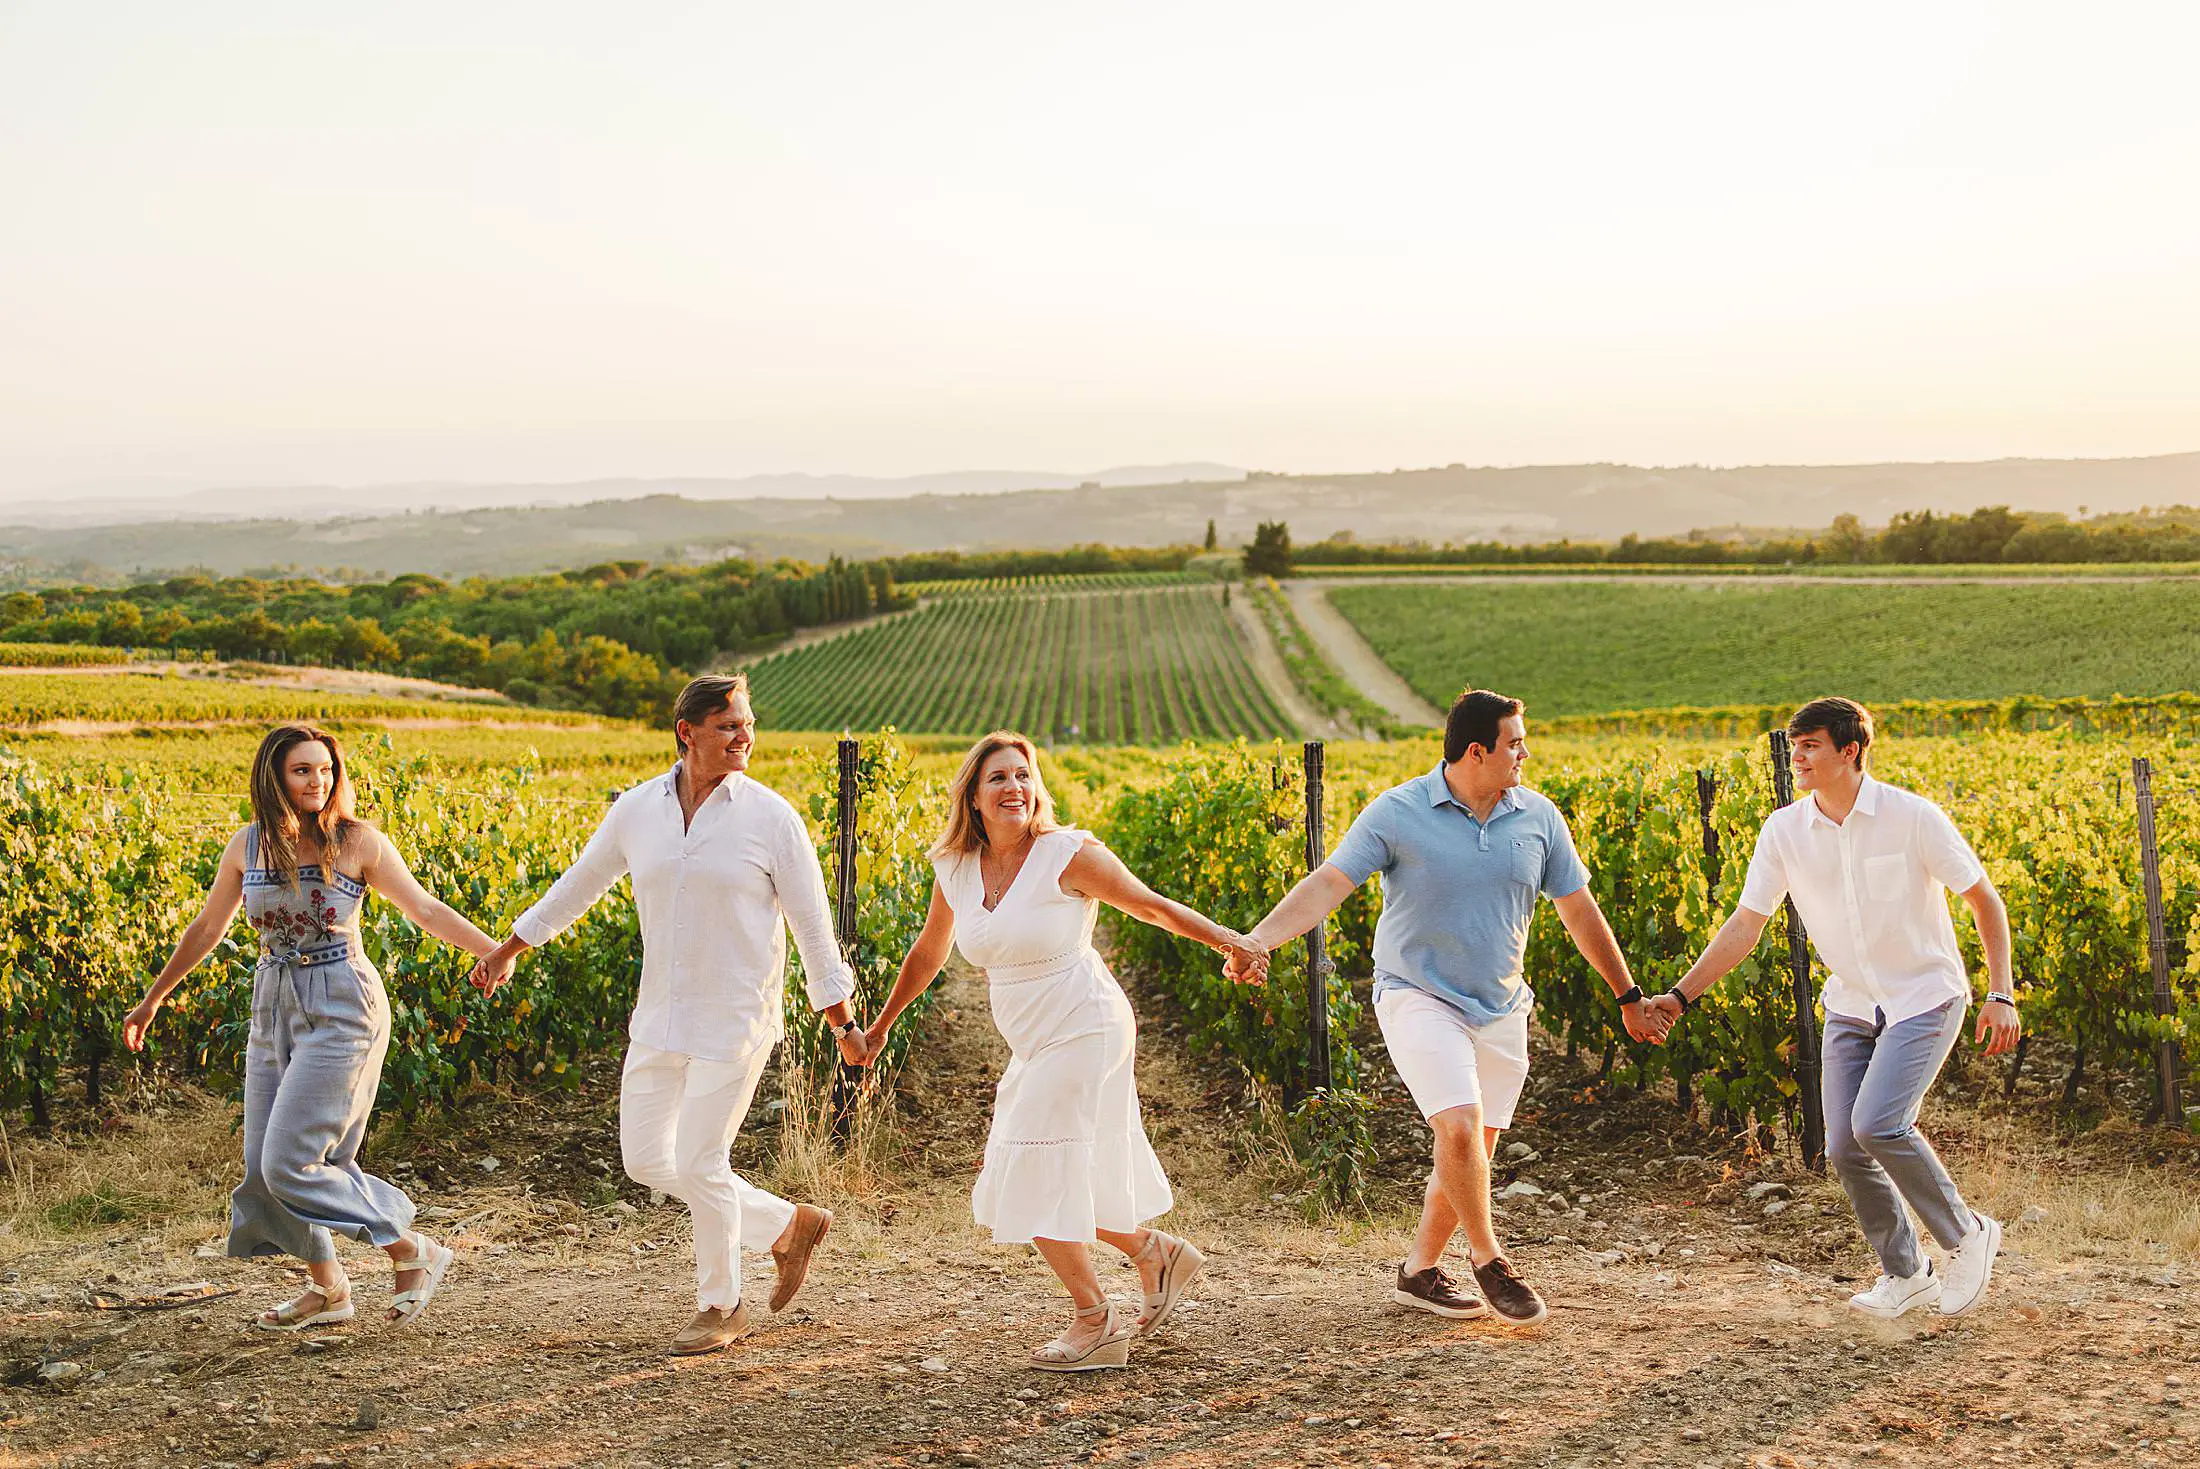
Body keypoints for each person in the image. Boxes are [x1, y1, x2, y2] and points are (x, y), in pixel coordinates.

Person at [1233, 689, 1659, 1327]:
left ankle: (1418, 1272)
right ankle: (1491, 1261)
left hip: (1504, 1005)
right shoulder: (1399, 812)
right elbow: (1328, 883)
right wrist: (1257, 939)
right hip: (1417, 994)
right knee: (1458, 1129)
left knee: (1470, 1155)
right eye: (1514, 742)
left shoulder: (1539, 818)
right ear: (1476, 751)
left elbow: (1578, 911)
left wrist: (1628, 995)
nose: (1525, 753)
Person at [470, 675, 867, 1356]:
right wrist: (511, 946)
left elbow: (811, 925)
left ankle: (721, 1304)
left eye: (747, 723)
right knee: (647, 1157)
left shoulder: (771, 818)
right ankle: (786, 1224)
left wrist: (841, 1021)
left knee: (702, 1158)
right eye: (729, 726)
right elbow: (581, 883)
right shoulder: (637, 810)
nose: (745, 737)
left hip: (735, 1018)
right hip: (659, 1015)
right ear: (688, 732)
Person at [856, 731, 1268, 1372]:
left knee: (1029, 1168)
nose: (1014, 788)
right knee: (1053, 1171)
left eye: (1024, 775)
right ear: (972, 793)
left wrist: (1232, 942)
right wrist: (881, 1026)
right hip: (1032, 1039)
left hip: (1086, 1022)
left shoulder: (1065, 854)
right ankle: (1153, 1254)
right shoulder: (956, 869)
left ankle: (1094, 1320)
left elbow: (1150, 908)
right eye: (998, 777)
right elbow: (929, 952)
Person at [1642, 697, 2019, 1319]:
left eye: (1811, 745)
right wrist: (1681, 996)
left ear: (1851, 750)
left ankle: (1966, 1233)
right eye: (1795, 746)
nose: (1798, 757)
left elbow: (1985, 901)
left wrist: (2001, 993)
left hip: (1924, 996)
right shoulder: (1784, 831)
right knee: (1844, 1145)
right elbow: (1747, 923)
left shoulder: (1912, 817)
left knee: (1878, 1124)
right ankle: (1907, 1274)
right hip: (1851, 1003)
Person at [123, 723, 498, 1330]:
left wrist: (493, 952)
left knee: (292, 1160)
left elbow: (424, 907)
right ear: (273, 778)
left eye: (325, 770)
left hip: (341, 1004)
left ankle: (410, 1249)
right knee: (263, 1164)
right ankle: (328, 1290)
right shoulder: (247, 846)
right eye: (302, 771)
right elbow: (206, 929)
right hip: (272, 1003)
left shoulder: (357, 842)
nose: (318, 782)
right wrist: (152, 999)